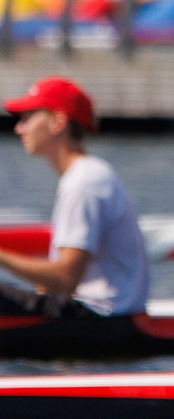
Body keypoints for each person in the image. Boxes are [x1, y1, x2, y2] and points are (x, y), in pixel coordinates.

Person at [0, 77, 150, 324]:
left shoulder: (83, 183)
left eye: (27, 118)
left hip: (100, 320)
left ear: (58, 121)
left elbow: (65, 280)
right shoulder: (89, 174)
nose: (19, 128)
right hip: (111, 313)